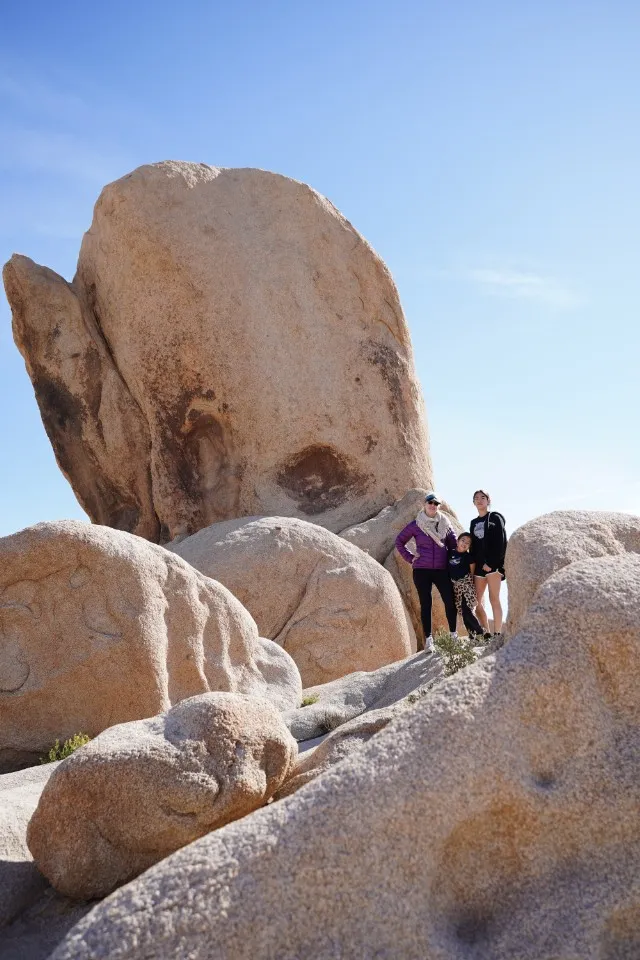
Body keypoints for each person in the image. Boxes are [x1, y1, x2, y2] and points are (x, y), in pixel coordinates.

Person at [395, 492, 458, 651]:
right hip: (422, 570)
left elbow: (454, 545)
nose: (433, 505)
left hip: (442, 569)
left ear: (438, 507)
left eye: (436, 504)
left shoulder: (445, 524)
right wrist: (410, 558)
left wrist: (454, 562)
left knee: (450, 602)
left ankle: (453, 635)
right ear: (424, 504)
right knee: (426, 603)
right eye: (430, 502)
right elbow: (399, 541)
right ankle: (429, 640)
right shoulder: (416, 525)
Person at [470, 490, 508, 636]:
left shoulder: (495, 517)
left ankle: (497, 633)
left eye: (482, 497)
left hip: (493, 567)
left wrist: (492, 563)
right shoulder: (473, 522)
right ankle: (485, 633)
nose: (479, 500)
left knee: (494, 599)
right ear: (473, 502)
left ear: (488, 500)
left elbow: (501, 541)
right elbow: (473, 547)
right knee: (476, 602)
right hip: (479, 567)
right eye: (476, 498)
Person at [448, 532, 488, 639]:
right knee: (463, 614)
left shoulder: (468, 557)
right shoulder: (450, 553)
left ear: (469, 546)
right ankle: (472, 636)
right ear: (457, 541)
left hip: (466, 586)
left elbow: (472, 572)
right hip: (456, 588)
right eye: (463, 540)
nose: (465, 543)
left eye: (468, 543)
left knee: (467, 610)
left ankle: (480, 633)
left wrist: (470, 586)